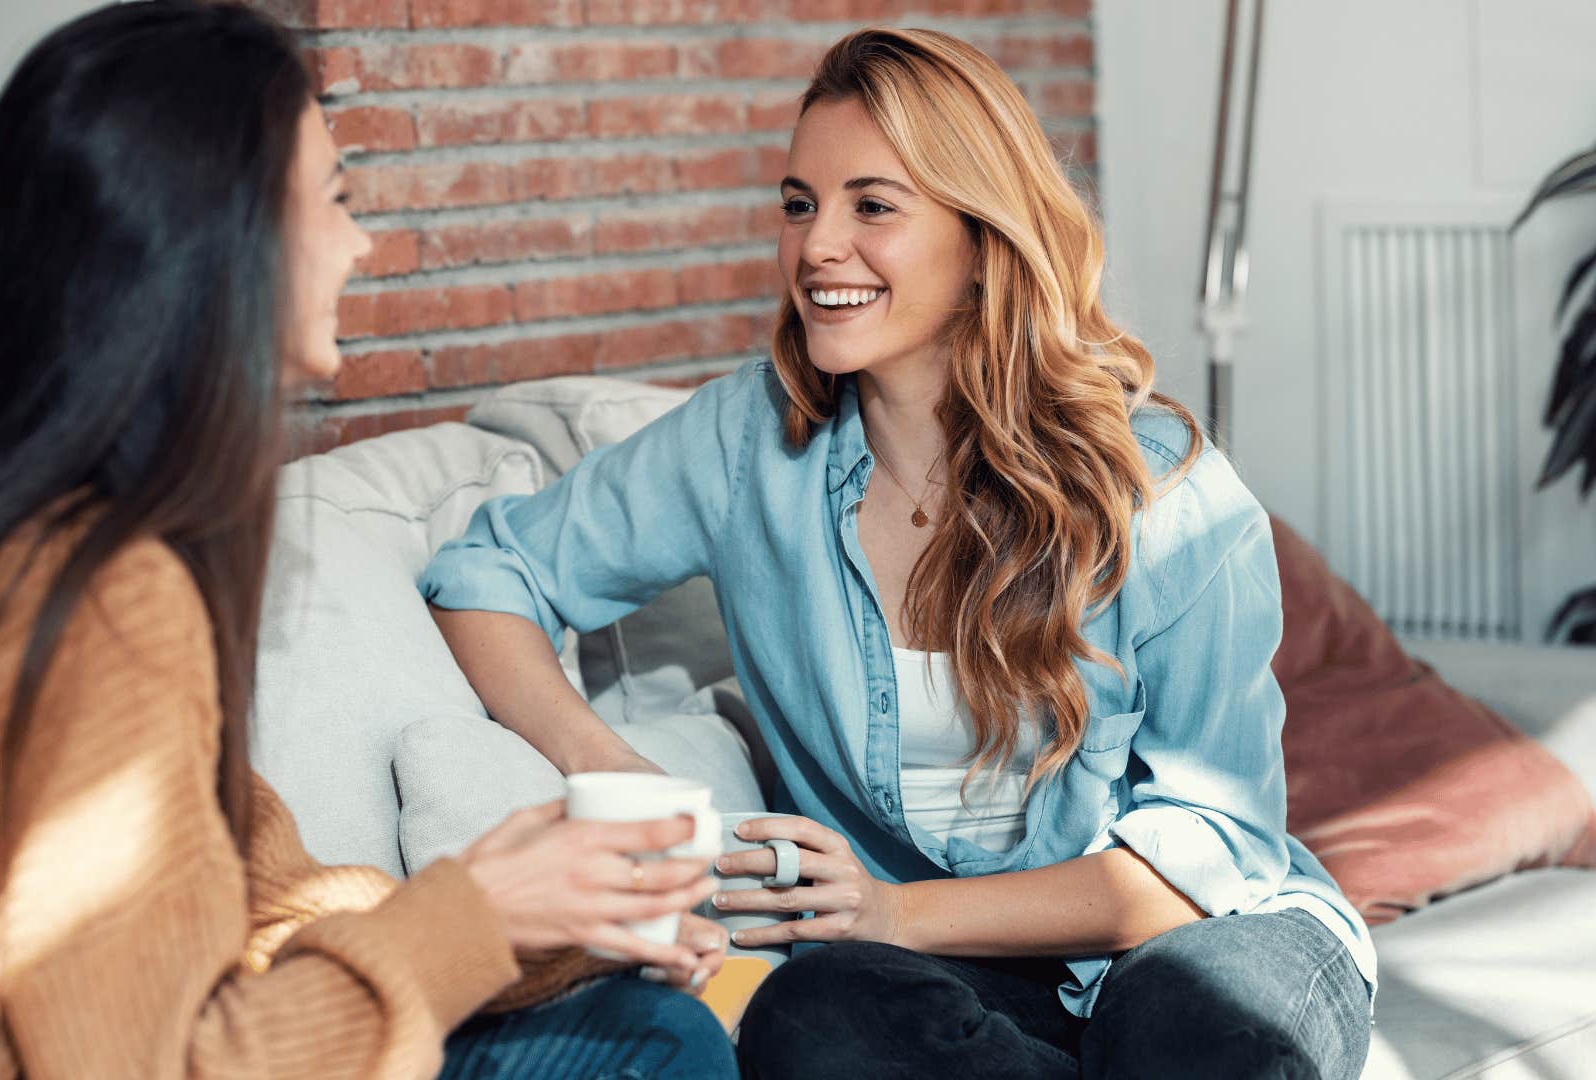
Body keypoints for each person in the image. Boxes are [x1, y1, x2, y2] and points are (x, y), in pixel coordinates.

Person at [0, 4, 736, 1077]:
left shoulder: (0, 540)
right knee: (655, 1048)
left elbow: (265, 900)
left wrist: (533, 921)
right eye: (336, 198)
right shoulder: (96, 595)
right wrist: (477, 913)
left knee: (644, 1030)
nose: (361, 243)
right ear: (222, 238)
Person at [421, 27, 1376, 1080]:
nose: (818, 245)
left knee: (1189, 1028)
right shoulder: (746, 445)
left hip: (1201, 931)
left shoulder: (1165, 492)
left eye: (872, 206)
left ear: (981, 237)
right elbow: (486, 576)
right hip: (948, 967)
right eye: (799, 204)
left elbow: (1211, 856)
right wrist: (624, 774)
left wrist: (894, 908)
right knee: (817, 1018)